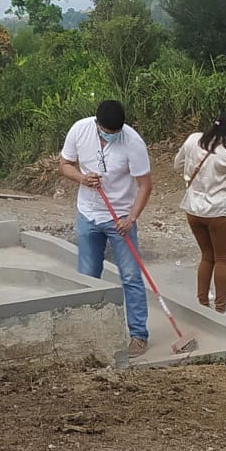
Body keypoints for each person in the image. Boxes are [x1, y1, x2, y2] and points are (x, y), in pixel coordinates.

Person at [60, 100, 153, 356]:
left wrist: (131, 217)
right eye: (106, 132)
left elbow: (145, 185)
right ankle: (87, 333)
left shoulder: (133, 142)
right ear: (97, 124)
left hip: (120, 218)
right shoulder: (80, 129)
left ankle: (138, 335)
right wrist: (82, 178)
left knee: (131, 277)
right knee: (87, 276)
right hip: (87, 215)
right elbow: (64, 164)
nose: (111, 136)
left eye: (115, 133)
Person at [174, 109, 226, 317]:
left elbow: (176, 164)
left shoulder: (193, 139)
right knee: (222, 259)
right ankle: (221, 309)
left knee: (207, 256)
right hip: (218, 212)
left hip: (192, 210)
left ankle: (202, 304)